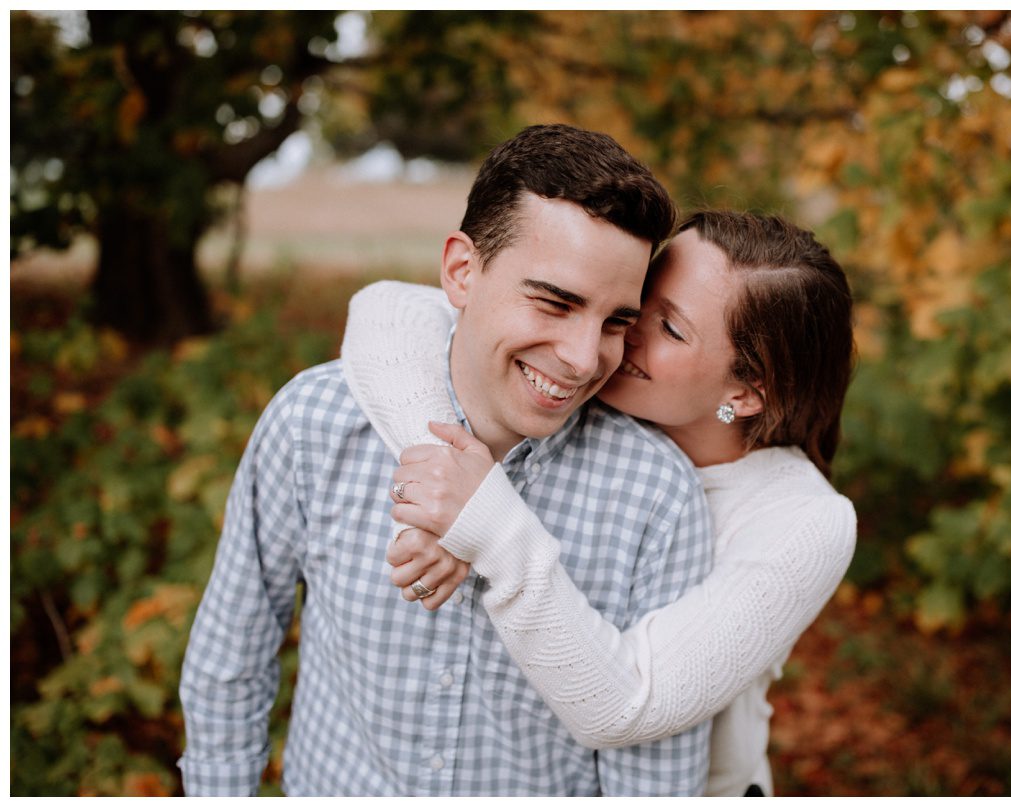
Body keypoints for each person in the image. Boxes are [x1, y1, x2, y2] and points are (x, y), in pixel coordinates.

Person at [178, 124, 716, 796]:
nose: (583, 357)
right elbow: (232, 653)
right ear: (462, 270)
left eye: (615, 321)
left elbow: (653, 769)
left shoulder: (653, 495)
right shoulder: (315, 423)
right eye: (556, 301)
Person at [342, 210, 857, 796]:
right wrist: (441, 481)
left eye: (671, 328)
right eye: (636, 301)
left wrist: (483, 519)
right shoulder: (577, 379)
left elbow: (628, 706)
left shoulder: (803, 522)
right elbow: (388, 308)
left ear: (742, 393)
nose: (616, 332)